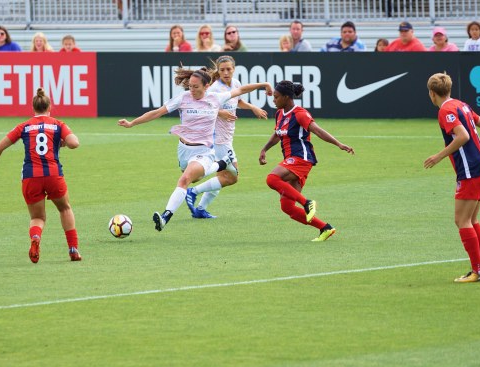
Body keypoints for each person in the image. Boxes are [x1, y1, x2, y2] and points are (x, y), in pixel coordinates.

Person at [118, 65, 272, 231]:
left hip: (204, 152)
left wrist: (264, 84)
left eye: (196, 87)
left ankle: (165, 217)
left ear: (207, 86)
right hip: (184, 151)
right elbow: (157, 112)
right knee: (194, 178)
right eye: (190, 86)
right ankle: (221, 164)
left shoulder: (216, 98)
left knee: (185, 180)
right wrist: (132, 123)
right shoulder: (183, 98)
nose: (191, 90)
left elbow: (240, 90)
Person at [0, 89, 82, 263]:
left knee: (37, 217)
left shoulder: (24, 126)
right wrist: (61, 142)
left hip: (30, 177)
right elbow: (74, 143)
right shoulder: (58, 124)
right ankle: (73, 249)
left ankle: (36, 238)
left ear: (33, 107)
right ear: (50, 106)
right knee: (64, 208)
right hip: (53, 174)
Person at [259, 80, 354, 242]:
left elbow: (317, 130)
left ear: (287, 97)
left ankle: (307, 202)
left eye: (276, 97)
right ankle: (325, 228)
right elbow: (277, 134)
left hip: (301, 159)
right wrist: (264, 149)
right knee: (287, 207)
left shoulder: (300, 114)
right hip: (291, 160)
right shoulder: (280, 113)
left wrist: (338, 144)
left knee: (272, 178)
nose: (273, 100)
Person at [424, 72, 480, 283]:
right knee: (472, 220)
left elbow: (463, 136)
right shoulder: (460, 104)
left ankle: (477, 271)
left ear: (431, 93)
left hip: (471, 169)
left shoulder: (445, 110)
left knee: (462, 220)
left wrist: (438, 156)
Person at [186, 55, 268, 219]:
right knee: (232, 177)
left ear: (234, 69)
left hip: (226, 138)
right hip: (218, 140)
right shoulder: (215, 88)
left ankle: (201, 209)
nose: (225, 72)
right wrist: (220, 112)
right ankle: (193, 190)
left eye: (228, 69)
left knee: (222, 177)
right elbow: (202, 107)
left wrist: (252, 107)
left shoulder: (235, 83)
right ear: (218, 70)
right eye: (222, 69)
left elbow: (237, 101)